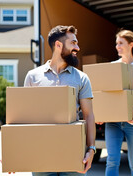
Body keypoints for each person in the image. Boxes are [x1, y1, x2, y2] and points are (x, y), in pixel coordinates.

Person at [24, 25, 96, 176]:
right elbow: (25, 118)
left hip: (74, 154)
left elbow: (89, 115)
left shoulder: (81, 78)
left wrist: (91, 149)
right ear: (58, 45)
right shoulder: (33, 77)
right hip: (41, 154)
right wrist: (16, 153)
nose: (78, 47)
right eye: (73, 43)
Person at [105, 30, 133, 176]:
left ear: (131, 45)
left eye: (121, 43)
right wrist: (102, 114)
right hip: (114, 121)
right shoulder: (113, 65)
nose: (117, 46)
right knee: (112, 160)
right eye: (116, 43)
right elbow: (108, 94)